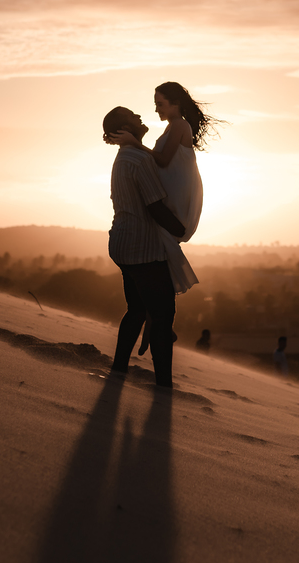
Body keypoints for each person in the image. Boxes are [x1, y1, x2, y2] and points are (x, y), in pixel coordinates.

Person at [110, 82, 220, 351]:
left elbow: (161, 160)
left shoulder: (180, 125)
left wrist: (135, 144)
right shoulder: (172, 127)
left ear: (175, 103)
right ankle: (156, 319)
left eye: (160, 103)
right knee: (159, 252)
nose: (156, 108)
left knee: (160, 246)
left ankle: (157, 320)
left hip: (177, 199)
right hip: (168, 194)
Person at [102, 106, 187, 389]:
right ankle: (163, 385)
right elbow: (155, 206)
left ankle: (118, 369)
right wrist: (181, 229)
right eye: (132, 117)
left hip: (122, 244)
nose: (139, 117)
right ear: (121, 129)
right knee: (162, 316)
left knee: (137, 309)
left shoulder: (125, 156)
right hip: (143, 248)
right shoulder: (138, 158)